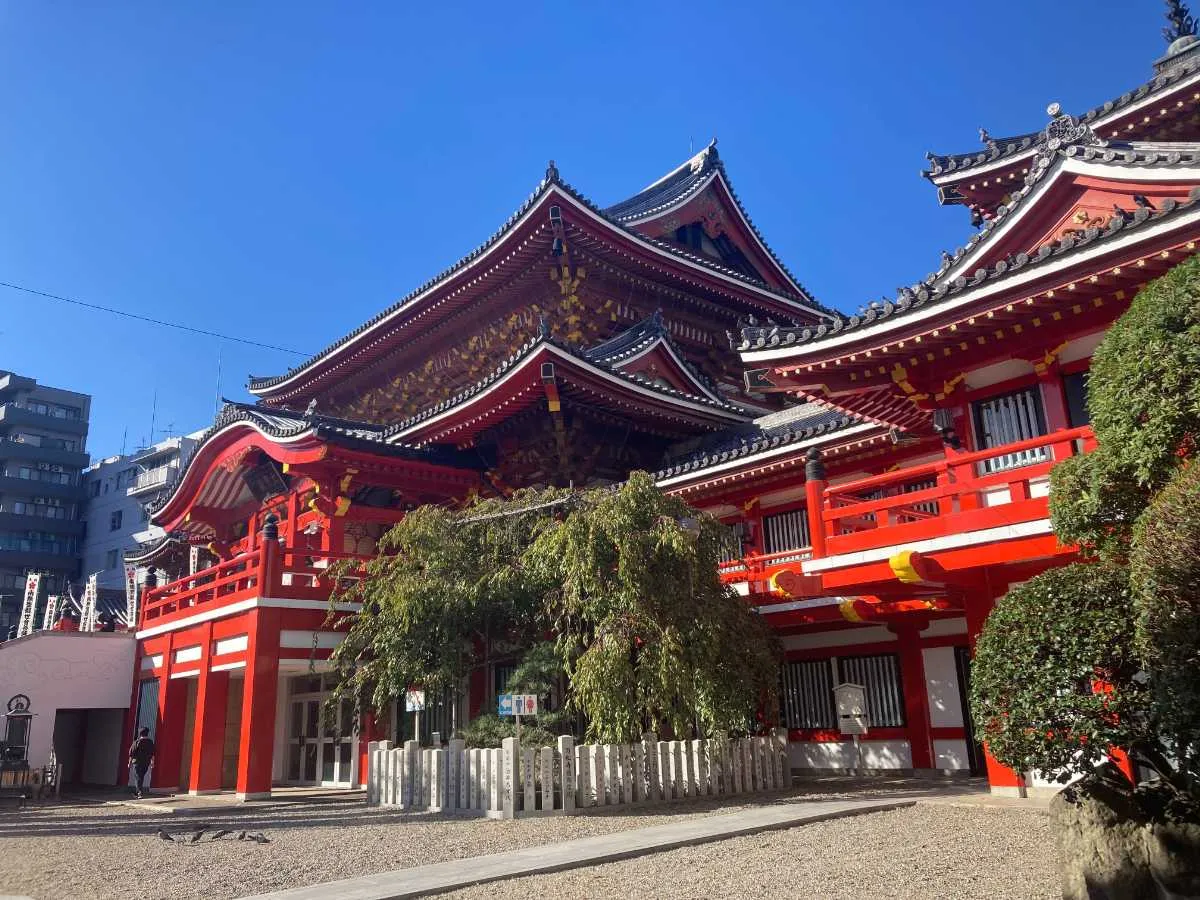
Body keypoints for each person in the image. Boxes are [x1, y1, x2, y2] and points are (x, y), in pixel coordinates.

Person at [128, 727, 155, 799]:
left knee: (138, 777)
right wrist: (152, 762)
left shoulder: (137, 742)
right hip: (146, 762)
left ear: (140, 733)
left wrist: (129, 763)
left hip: (137, 762)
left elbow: (131, 753)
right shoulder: (150, 742)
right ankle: (137, 792)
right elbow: (152, 753)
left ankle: (139, 792)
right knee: (141, 776)